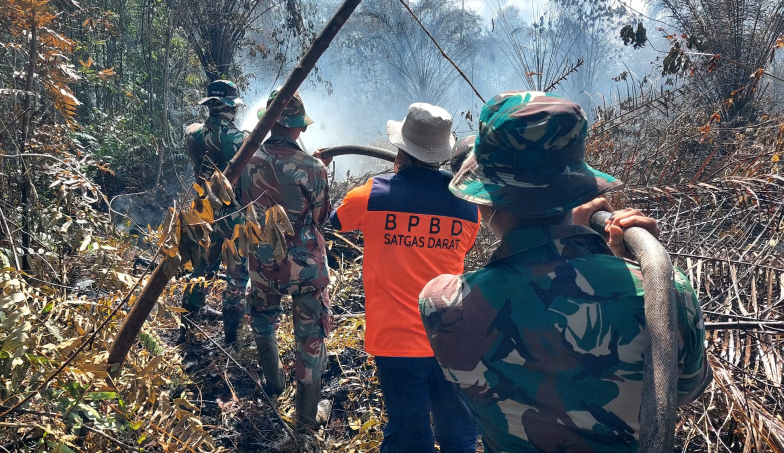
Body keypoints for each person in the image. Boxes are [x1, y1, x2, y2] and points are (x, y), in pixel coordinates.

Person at [419, 90, 711, 453]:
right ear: (576, 184)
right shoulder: (667, 291)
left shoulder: (442, 305)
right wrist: (622, 260)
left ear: (485, 201)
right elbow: (683, 390)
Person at [323, 104, 479, 453]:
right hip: (451, 339)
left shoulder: (373, 195)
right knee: (459, 437)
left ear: (401, 149)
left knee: (409, 438)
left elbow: (333, 221)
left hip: (397, 342)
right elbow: (462, 249)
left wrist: (318, 172)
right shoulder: (468, 205)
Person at [240, 88, 331, 432]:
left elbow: (239, 203)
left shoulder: (246, 161)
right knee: (309, 337)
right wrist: (318, 166)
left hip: (263, 263)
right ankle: (305, 421)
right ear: (299, 128)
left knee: (263, 319)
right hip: (305, 268)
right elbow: (320, 217)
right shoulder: (313, 168)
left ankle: (274, 384)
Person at [181, 79, 250, 345]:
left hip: (202, 211)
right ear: (231, 107)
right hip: (232, 213)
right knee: (237, 273)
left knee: (201, 268)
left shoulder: (191, 133)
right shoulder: (238, 138)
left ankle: (185, 327)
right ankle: (231, 338)